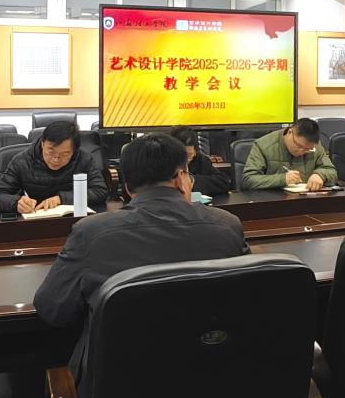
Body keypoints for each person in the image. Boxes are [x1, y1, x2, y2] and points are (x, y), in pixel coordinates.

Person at [33, 133, 248, 381]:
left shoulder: (92, 233)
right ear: (181, 178)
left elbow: (53, 310)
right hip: (213, 376)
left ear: (127, 187)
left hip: (119, 386)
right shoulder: (227, 225)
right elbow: (247, 302)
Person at [0, 120, 108, 215]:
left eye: (64, 154)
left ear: (74, 151)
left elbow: (100, 191)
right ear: (42, 143)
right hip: (35, 220)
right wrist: (16, 203)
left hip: (74, 220)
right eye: (51, 151)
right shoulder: (23, 160)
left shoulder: (84, 159)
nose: (55, 159)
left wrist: (61, 198)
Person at [241, 118, 338, 191]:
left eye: (307, 149)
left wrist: (320, 175)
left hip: (307, 200)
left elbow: (331, 171)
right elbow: (248, 180)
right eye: (298, 146)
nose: (301, 151)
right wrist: (283, 179)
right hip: (274, 202)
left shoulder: (315, 146)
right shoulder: (264, 145)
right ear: (290, 132)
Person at [170, 126, 231, 197]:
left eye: (190, 155)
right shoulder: (165, 162)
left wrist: (192, 180)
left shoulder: (200, 160)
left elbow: (224, 182)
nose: (187, 159)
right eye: (184, 155)